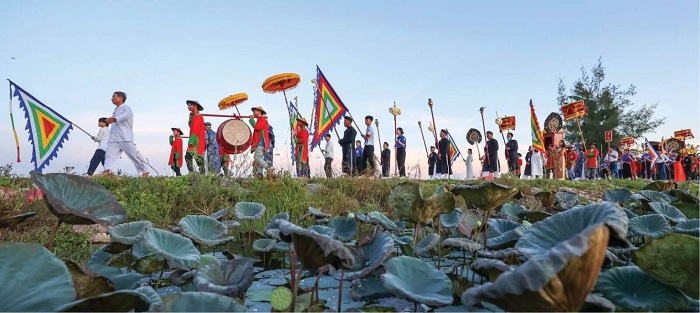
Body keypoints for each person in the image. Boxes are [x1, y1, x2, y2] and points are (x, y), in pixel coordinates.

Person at [99, 91, 149, 177]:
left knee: (133, 155)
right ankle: (106, 171)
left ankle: (145, 171)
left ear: (120, 98)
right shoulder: (115, 110)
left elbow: (125, 115)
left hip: (125, 137)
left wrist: (114, 119)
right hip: (114, 138)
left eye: (114, 97)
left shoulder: (126, 108)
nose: (112, 99)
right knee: (109, 154)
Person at [249, 106, 270, 178]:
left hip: (261, 143)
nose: (254, 112)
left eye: (255, 110)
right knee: (257, 159)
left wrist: (251, 120)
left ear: (260, 112)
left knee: (258, 158)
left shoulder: (263, 120)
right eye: (253, 111)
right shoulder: (259, 120)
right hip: (258, 143)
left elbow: (257, 127)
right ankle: (260, 174)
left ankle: (268, 168)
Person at [185, 100, 205, 174]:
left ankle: (195, 173)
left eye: (190, 105)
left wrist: (191, 141)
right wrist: (190, 118)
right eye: (188, 106)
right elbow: (191, 126)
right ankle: (195, 173)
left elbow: (195, 130)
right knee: (193, 158)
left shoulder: (199, 117)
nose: (189, 107)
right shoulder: (195, 117)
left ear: (195, 106)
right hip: (194, 140)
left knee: (195, 158)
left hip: (196, 141)